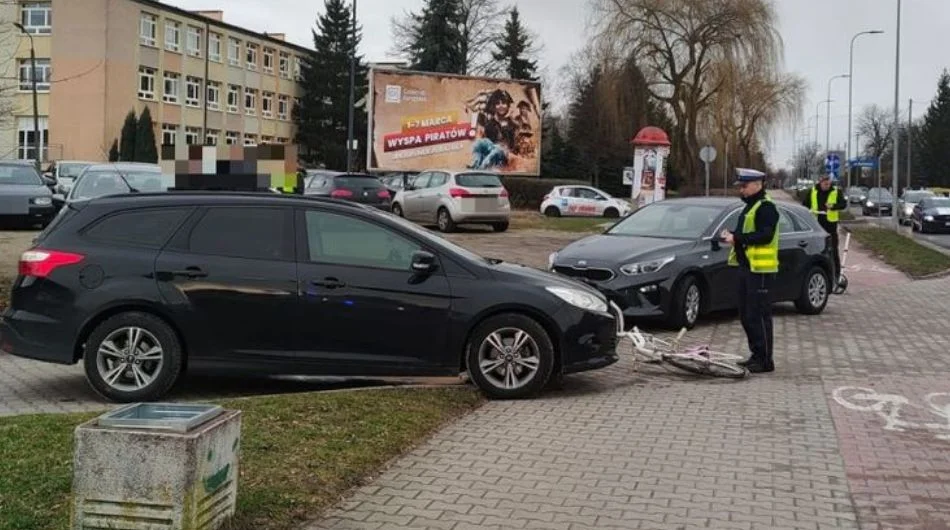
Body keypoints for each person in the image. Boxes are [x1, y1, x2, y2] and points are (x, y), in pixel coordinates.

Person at [720, 168, 779, 374]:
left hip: (760, 270)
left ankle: (764, 360)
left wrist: (737, 238)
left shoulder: (766, 208)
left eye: (744, 186)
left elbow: (765, 236)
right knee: (746, 315)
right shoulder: (750, 207)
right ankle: (756, 355)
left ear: (758, 184)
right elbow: (748, 233)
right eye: (741, 186)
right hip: (747, 267)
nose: (742, 190)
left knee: (759, 315)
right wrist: (733, 235)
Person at [802, 174, 847, 283]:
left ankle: (836, 276)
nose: (827, 186)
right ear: (820, 182)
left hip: (830, 227)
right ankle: (818, 275)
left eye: (828, 183)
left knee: (833, 251)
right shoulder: (813, 191)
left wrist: (833, 206)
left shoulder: (836, 191)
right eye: (825, 183)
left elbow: (843, 204)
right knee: (817, 252)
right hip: (815, 225)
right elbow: (805, 204)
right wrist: (808, 213)